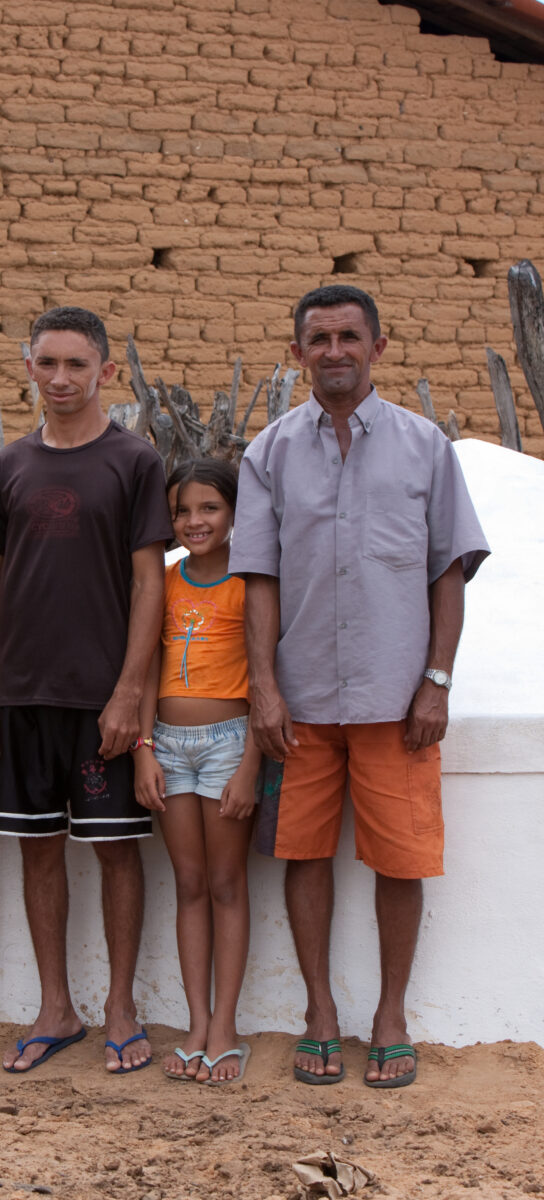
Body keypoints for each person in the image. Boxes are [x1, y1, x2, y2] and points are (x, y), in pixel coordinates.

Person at [229, 285, 490, 1089]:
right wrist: (265, 689)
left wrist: (436, 681)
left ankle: (390, 1016)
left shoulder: (425, 447)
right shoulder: (268, 453)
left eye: (349, 337)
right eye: (319, 339)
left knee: (399, 860)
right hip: (301, 705)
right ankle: (319, 1013)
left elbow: (448, 570)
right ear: (298, 351)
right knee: (303, 854)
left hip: (397, 701)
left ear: (378, 347)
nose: (334, 351)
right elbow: (259, 578)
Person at [0, 306, 174, 1074]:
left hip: (102, 701)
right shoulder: (8, 466)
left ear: (105, 373)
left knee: (118, 854)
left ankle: (121, 1006)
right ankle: (57, 1008)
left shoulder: (135, 462)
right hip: (22, 697)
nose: (60, 379)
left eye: (76, 365)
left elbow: (151, 583)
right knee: (39, 850)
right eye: (47, 363)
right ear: (28, 367)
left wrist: (127, 691)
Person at [133, 459, 261, 1085]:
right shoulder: (163, 579)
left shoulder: (252, 581)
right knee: (187, 883)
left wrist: (252, 764)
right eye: (182, 511)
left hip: (229, 744)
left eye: (209, 508)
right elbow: (143, 667)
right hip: (168, 744)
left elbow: (270, 679)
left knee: (226, 883)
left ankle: (227, 1025)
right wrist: (142, 747)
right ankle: (196, 1021)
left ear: (234, 512)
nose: (194, 521)